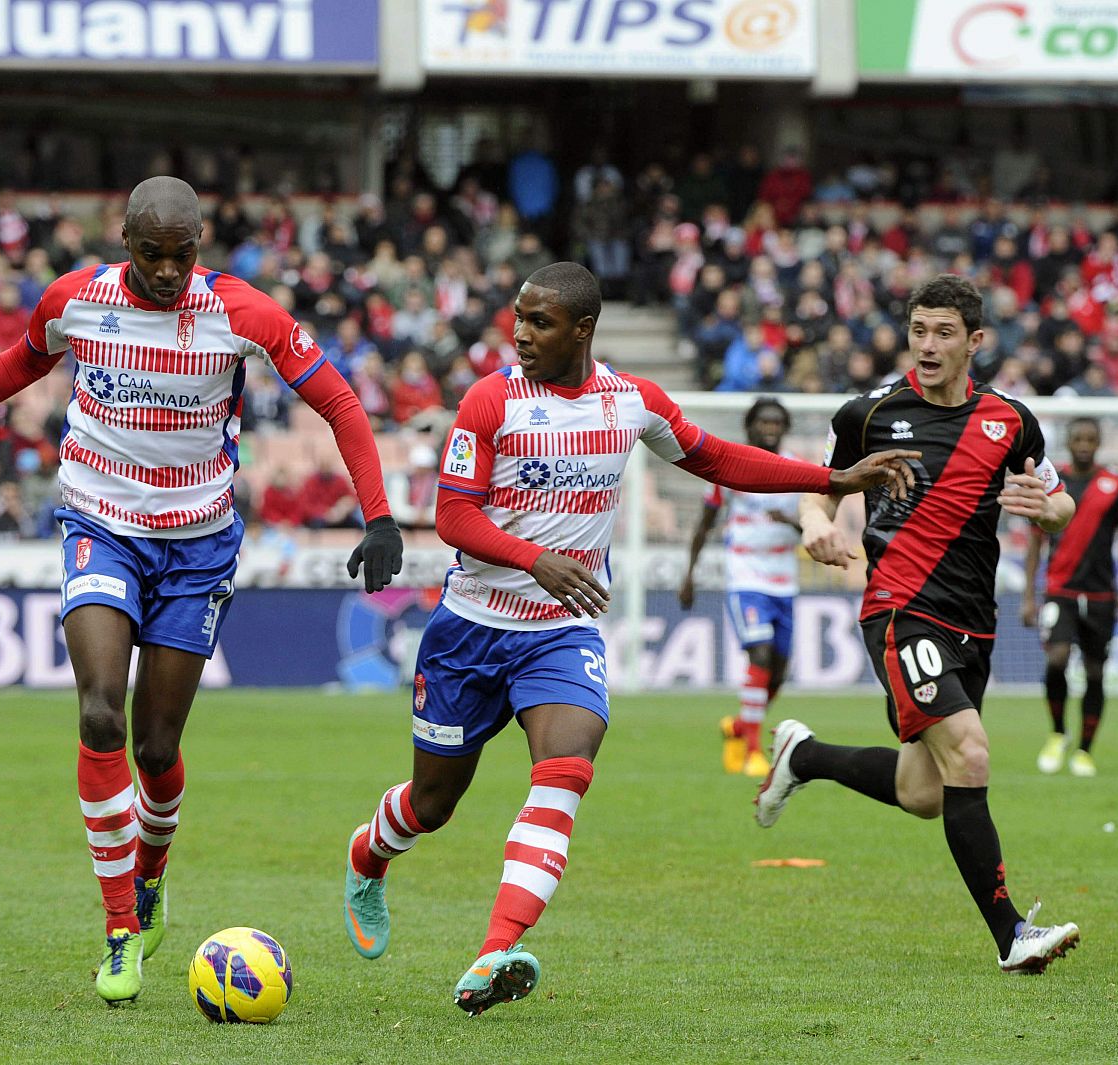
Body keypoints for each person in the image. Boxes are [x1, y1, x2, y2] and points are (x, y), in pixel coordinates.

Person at [0, 176, 403, 1006]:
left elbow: (339, 401)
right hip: (98, 523)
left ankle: (152, 870)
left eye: (184, 255)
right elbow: (18, 363)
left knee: (155, 747)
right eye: (153, 255)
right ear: (125, 242)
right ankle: (119, 928)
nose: (170, 271)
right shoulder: (76, 300)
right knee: (100, 711)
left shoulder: (242, 312)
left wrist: (381, 515)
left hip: (198, 543)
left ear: (201, 245)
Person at [340, 262, 918, 1016]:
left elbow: (715, 456)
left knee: (567, 768)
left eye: (539, 322)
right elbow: (454, 518)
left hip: (561, 630)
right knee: (433, 801)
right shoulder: (491, 401)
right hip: (471, 628)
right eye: (518, 317)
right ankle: (367, 856)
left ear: (583, 329)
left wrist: (829, 480)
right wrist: (534, 558)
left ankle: (494, 951)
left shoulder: (628, 401)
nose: (520, 333)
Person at [754, 273, 1083, 975]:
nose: (927, 346)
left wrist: (1043, 506)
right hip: (902, 608)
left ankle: (803, 756)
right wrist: (817, 527)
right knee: (970, 752)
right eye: (918, 330)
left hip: (975, 623)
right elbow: (820, 487)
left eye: (943, 333)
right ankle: (1012, 933)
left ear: (975, 342)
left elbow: (1061, 504)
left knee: (925, 791)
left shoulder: (1011, 421)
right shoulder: (869, 413)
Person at [677, 397, 803, 776]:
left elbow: (814, 524)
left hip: (785, 579)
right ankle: (752, 751)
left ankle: (737, 727)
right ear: (749, 426)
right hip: (745, 576)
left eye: (777, 422)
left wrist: (793, 524)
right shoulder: (728, 468)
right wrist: (690, 573)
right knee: (760, 656)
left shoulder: (798, 470)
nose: (770, 427)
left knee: (778, 673)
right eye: (763, 421)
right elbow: (705, 523)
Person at [1021, 418, 1118, 777]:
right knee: (1056, 659)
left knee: (1095, 671)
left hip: (1102, 592)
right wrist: (1028, 594)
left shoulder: (1116, 485)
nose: (1084, 444)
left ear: (1099, 442)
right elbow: (1036, 542)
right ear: (1068, 443)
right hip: (1060, 589)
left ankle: (1085, 750)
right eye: (1078, 439)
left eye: (1090, 439)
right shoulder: (1053, 483)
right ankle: (1058, 733)